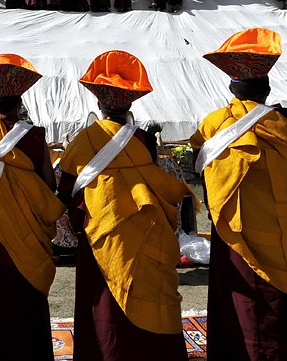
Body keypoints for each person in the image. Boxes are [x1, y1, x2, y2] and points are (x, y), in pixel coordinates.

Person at [190, 29, 287, 360]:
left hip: (238, 232)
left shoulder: (214, 124)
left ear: (231, 88)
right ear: (267, 90)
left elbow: (200, 163)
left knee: (248, 304)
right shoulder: (286, 128)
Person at [58, 51, 191, 361]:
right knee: (150, 297)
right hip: (146, 235)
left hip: (102, 239)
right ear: (130, 103)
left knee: (107, 310)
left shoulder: (84, 140)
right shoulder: (144, 140)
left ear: (98, 103)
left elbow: (68, 193)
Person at [0, 55, 65, 360]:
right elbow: (48, 181)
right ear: (20, 105)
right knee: (24, 291)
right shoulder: (34, 136)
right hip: (28, 227)